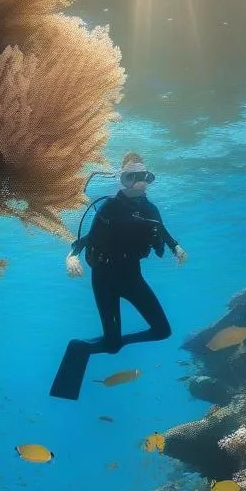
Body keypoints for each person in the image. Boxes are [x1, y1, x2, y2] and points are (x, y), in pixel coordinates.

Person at [49, 152, 187, 400]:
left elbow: (161, 229)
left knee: (162, 331)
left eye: (143, 177)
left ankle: (114, 341)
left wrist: (176, 247)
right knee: (110, 347)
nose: (139, 182)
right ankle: (79, 348)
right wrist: (70, 257)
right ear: (123, 179)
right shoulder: (110, 206)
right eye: (132, 177)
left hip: (132, 276)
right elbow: (86, 239)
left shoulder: (150, 208)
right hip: (105, 278)